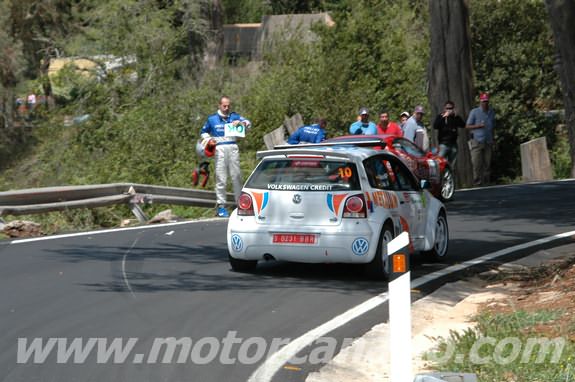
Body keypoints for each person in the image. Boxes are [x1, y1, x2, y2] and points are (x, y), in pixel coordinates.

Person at [201, 95, 251, 217]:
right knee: (221, 178)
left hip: (233, 147)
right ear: (219, 105)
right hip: (219, 149)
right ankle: (221, 206)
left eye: (228, 105)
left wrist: (241, 123)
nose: (226, 108)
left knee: (236, 176)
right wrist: (209, 140)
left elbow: (249, 124)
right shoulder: (212, 119)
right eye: (224, 106)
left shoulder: (234, 116)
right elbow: (203, 132)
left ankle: (240, 204)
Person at [466, 92, 496, 186]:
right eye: (483, 101)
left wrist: (493, 139)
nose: (485, 103)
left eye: (486, 101)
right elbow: (467, 126)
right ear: (480, 101)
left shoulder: (491, 111)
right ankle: (477, 182)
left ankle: (487, 182)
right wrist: (478, 126)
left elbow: (492, 126)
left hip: (488, 140)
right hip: (477, 141)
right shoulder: (474, 112)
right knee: (476, 163)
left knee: (488, 163)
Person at [432, 100, 466, 165]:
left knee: (451, 165)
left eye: (450, 108)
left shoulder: (455, 117)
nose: (449, 110)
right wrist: (443, 117)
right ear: (444, 108)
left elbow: (463, 125)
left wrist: (457, 116)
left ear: (453, 109)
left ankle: (449, 175)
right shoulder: (440, 116)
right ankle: (438, 175)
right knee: (439, 163)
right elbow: (435, 126)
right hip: (443, 144)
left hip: (453, 145)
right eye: (447, 108)